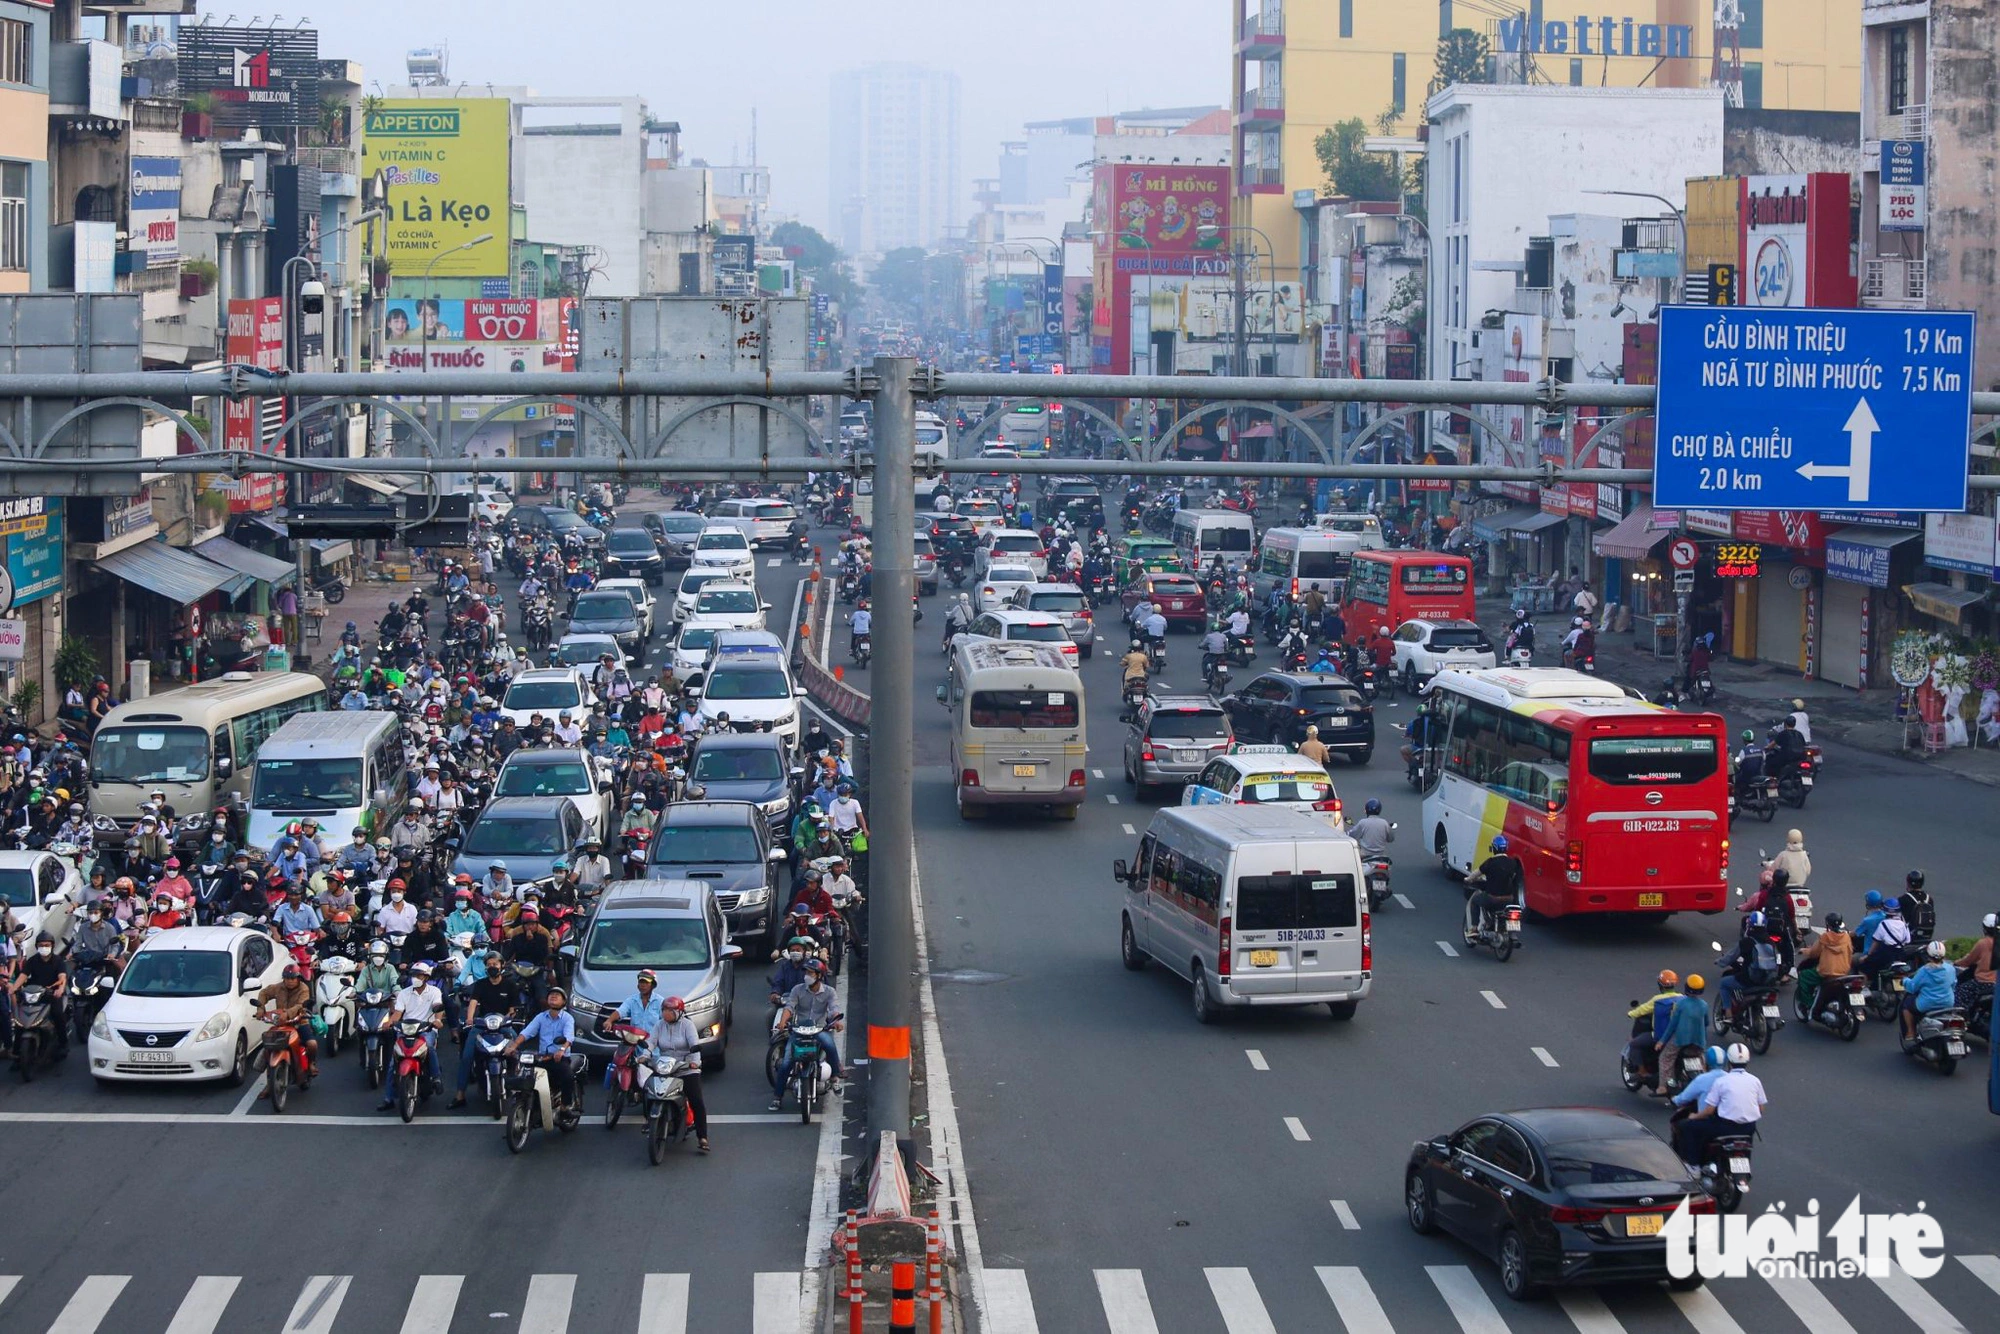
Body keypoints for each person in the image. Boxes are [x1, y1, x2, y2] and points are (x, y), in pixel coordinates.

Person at [769, 959, 843, 1110]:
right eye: (806, 972)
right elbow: (789, 1007)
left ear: (819, 976)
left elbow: (833, 1009)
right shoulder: (797, 990)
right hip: (798, 1031)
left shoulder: (829, 992)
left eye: (810, 973)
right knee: (786, 1063)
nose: (806, 976)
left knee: (830, 1045)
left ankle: (835, 1078)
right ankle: (777, 1097)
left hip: (818, 1030)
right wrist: (783, 1022)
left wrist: (836, 1021)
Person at [1674, 1044, 1764, 1165]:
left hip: (1724, 1128)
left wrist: (1694, 1116)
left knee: (1686, 1127)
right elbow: (1760, 1108)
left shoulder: (1721, 1082)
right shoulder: (1755, 1080)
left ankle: (1693, 1165)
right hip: (1749, 1128)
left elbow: (1709, 1110)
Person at [376, 960, 445, 1110]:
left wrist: (438, 1020)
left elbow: (437, 1007)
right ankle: (388, 1098)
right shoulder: (404, 993)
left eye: (419, 975)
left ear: (426, 977)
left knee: (429, 1047)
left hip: (426, 1029)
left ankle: (436, 1077)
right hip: (406, 1030)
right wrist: (389, 1022)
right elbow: (398, 1013)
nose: (416, 978)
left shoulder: (434, 991)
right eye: (414, 975)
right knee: (393, 1063)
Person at [648, 994, 711, 1153]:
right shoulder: (659, 1025)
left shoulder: (687, 1025)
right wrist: (644, 1056)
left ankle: (702, 1136)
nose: (666, 1013)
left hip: (686, 1066)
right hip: (665, 1066)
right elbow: (651, 1043)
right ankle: (650, 1122)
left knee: (696, 1100)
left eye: (670, 1010)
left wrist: (695, 1062)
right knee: (648, 1091)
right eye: (664, 1010)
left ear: (679, 1012)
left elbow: (694, 1045)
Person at [506, 985, 579, 1112]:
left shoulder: (567, 1018)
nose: (553, 996)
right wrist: (514, 1046)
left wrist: (561, 1050)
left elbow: (569, 1038)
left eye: (558, 995)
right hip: (542, 1058)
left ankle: (565, 1106)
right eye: (551, 994)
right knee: (525, 1077)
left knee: (567, 1077)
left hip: (559, 1058)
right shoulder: (541, 1017)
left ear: (563, 1002)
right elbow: (526, 1033)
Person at [1713, 911, 1792, 1024]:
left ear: (1749, 926)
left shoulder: (1746, 942)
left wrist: (1719, 962)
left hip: (1749, 981)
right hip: (1769, 981)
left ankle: (1729, 1015)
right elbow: (1778, 960)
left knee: (1724, 983)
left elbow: (1730, 958)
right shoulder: (1771, 943)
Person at [253, 964, 318, 1092]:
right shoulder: (278, 987)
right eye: (287, 978)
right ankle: (269, 1083)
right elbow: (264, 993)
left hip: (299, 1023)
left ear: (298, 978)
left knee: (312, 1044)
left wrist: (287, 1013)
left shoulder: (304, 989)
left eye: (293, 978)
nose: (290, 981)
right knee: (269, 1047)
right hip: (281, 1025)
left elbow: (300, 1005)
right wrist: (260, 1009)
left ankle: (310, 1064)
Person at [9, 933, 69, 1058]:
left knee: (58, 1015)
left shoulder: (58, 961)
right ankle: (16, 1054)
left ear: (52, 946)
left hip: (51, 994)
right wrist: (14, 988)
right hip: (33, 994)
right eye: (41, 945)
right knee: (20, 1022)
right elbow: (23, 976)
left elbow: (62, 977)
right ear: (37, 946)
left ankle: (63, 1044)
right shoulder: (32, 961)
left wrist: (60, 989)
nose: (44, 947)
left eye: (47, 945)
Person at [1624, 970, 1682, 1088]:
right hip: (1678, 1035)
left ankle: (1642, 1072)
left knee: (1634, 1044)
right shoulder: (1682, 998)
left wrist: (1631, 1013)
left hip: (1660, 1036)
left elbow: (1643, 1009)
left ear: (1660, 985)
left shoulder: (1657, 999)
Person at [1656, 974, 1711, 1096]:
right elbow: (1706, 1023)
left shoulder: (1681, 1004)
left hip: (1681, 1040)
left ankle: (1663, 1086)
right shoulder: (1704, 1005)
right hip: (1699, 1042)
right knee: (1702, 1061)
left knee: (1665, 1058)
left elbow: (1673, 1025)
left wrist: (1661, 1041)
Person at [1464, 835, 1522, 942]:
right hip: (1509, 899)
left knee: (1475, 901)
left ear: (1494, 848)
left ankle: (1474, 928)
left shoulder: (1490, 862)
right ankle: (1511, 932)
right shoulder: (1513, 863)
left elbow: (1476, 874)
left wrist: (1468, 879)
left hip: (1492, 898)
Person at [1795, 911, 1854, 1016]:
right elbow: (1851, 952)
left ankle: (1808, 1003)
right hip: (1844, 972)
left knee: (1804, 976)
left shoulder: (1825, 937)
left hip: (1826, 972)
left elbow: (1814, 953)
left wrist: (1805, 951)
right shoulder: (1847, 937)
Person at [1903, 940, 1958, 1040]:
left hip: (1926, 1005)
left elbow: (1912, 988)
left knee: (1906, 1005)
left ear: (1928, 955)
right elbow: (1954, 985)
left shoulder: (1924, 970)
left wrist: (1905, 980)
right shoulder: (1951, 969)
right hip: (1948, 1003)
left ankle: (1910, 1032)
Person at [1856, 897, 1914, 986]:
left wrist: (1867, 956)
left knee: (1863, 968)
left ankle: (1864, 989)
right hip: (1900, 954)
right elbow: (1907, 940)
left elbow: (1875, 942)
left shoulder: (1883, 924)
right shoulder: (1903, 925)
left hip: (1885, 953)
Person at [1669, 1045, 1730, 1115]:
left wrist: (1674, 1099)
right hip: (1726, 1118)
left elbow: (1684, 1098)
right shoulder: (1730, 1077)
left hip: (1705, 1117)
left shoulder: (1702, 1079)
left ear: (1706, 1061)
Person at [1898, 870, 1936, 946]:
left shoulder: (1904, 899)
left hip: (1909, 935)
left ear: (1908, 882)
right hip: (1926, 935)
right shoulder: (1929, 899)